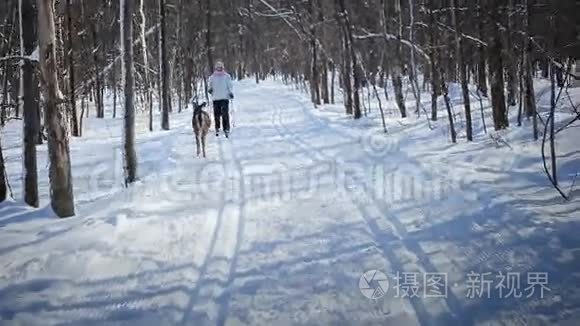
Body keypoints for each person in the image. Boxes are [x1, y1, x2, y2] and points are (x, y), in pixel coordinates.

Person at [208, 61, 234, 137]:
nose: (219, 69)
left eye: (220, 67)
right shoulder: (212, 77)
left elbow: (230, 86)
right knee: (217, 114)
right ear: (216, 68)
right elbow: (210, 85)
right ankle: (217, 127)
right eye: (218, 67)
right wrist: (210, 89)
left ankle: (226, 128)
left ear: (223, 68)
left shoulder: (226, 76)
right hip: (216, 98)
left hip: (225, 98)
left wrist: (231, 93)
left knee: (225, 114)